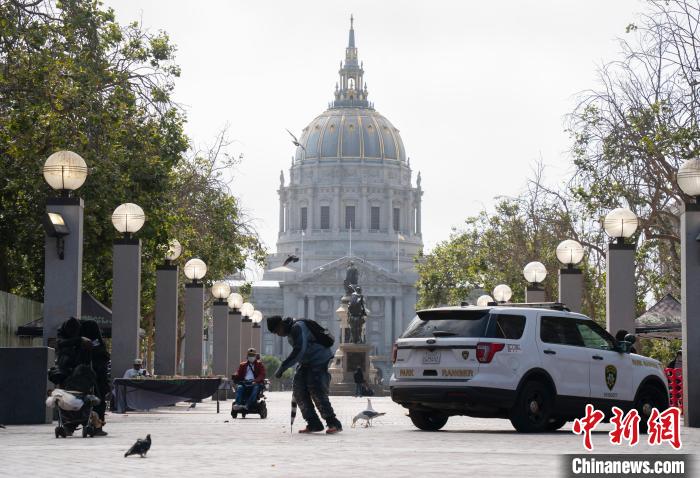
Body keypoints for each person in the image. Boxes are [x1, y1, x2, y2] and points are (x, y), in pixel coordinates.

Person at [267, 315, 343, 434]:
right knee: (298, 390)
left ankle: (333, 423)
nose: (278, 334)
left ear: (281, 324)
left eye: (277, 331)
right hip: (306, 362)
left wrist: (282, 367)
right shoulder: (290, 331)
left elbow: (299, 350)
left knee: (316, 390)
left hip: (319, 360)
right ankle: (313, 423)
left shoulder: (297, 327)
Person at [79, 320, 111, 437]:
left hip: (80, 381)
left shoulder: (78, 343)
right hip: (97, 381)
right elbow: (104, 359)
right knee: (98, 401)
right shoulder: (98, 344)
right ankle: (97, 426)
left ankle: (73, 425)